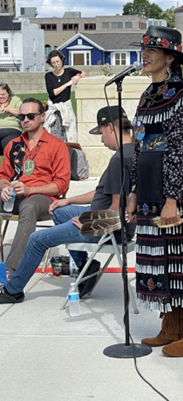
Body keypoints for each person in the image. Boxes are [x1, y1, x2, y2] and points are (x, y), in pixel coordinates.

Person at [127, 26, 183, 358]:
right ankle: (173, 327)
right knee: (160, 261)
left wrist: (173, 199)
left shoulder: (181, 95)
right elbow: (137, 147)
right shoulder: (146, 95)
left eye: (152, 50)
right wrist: (134, 191)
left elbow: (181, 150)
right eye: (143, 49)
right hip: (147, 189)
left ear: (169, 57)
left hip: (170, 192)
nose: (145, 55)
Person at [0, 105, 135, 304]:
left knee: (38, 239)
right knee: (60, 211)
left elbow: (115, 209)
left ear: (110, 128)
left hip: (109, 227)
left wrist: (90, 222)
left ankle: (13, 290)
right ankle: (85, 266)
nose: (101, 139)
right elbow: (104, 195)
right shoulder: (134, 153)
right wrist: (69, 200)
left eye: (101, 132)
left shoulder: (119, 160)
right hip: (115, 221)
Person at [0, 97, 70, 278]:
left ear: (42, 116)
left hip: (44, 198)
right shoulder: (13, 144)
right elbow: (3, 175)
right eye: (22, 116)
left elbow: (61, 186)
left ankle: (12, 271)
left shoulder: (57, 146)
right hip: (15, 195)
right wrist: (5, 186)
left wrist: (31, 190)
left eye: (30, 116)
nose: (25, 120)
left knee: (29, 205)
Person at [44, 50, 87, 142]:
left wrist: (77, 77)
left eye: (58, 61)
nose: (56, 64)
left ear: (62, 60)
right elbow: (52, 93)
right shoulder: (48, 76)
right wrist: (68, 84)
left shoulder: (69, 71)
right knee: (55, 136)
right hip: (54, 110)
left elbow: (84, 73)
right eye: (53, 63)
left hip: (66, 107)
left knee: (69, 135)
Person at [0, 83, 22, 155]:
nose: (1, 97)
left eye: (3, 94)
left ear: (8, 93)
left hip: (12, 130)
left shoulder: (15, 100)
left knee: (10, 146)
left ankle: (16, 164)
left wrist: (7, 110)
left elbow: (22, 111)